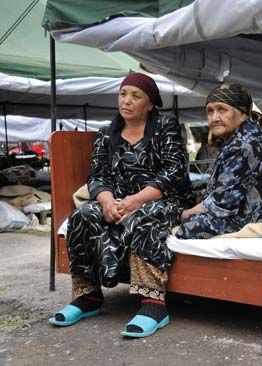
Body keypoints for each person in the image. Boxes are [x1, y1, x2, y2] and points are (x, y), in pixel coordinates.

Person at [49, 72, 195, 338]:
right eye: (123, 94)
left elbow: (174, 173)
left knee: (144, 215)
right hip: (118, 201)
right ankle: (87, 297)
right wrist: (106, 202)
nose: (126, 101)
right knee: (83, 215)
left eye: (136, 96)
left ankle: (153, 304)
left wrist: (135, 201)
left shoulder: (166, 127)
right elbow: (97, 176)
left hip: (162, 199)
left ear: (150, 104)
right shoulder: (107, 134)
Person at [176, 83, 262, 239]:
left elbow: (221, 203)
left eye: (222, 110)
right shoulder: (253, 133)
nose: (214, 118)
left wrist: (186, 214)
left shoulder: (244, 144)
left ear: (242, 113)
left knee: (190, 225)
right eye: (210, 111)